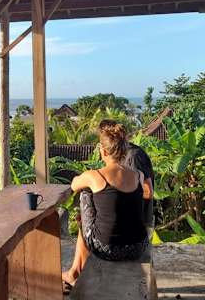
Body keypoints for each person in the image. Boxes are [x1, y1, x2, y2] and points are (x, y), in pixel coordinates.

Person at [62, 120, 152, 293]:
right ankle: (74, 272)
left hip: (107, 249)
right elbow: (146, 194)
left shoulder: (95, 176)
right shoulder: (139, 175)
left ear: (103, 151)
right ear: (124, 151)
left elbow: (74, 184)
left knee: (86, 194)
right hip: (138, 246)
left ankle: (74, 272)